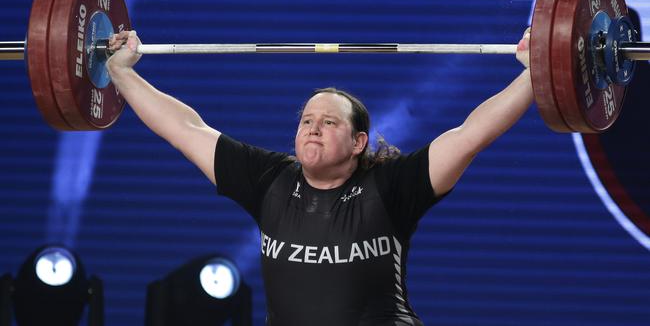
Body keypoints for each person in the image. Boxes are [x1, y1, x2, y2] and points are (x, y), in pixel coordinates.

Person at [106, 28, 533, 326]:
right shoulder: (269, 179)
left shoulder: (393, 188)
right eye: (307, 120)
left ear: (358, 142)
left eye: (329, 122)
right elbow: (187, 129)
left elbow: (472, 134)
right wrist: (123, 73)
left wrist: (535, 73)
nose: (313, 127)